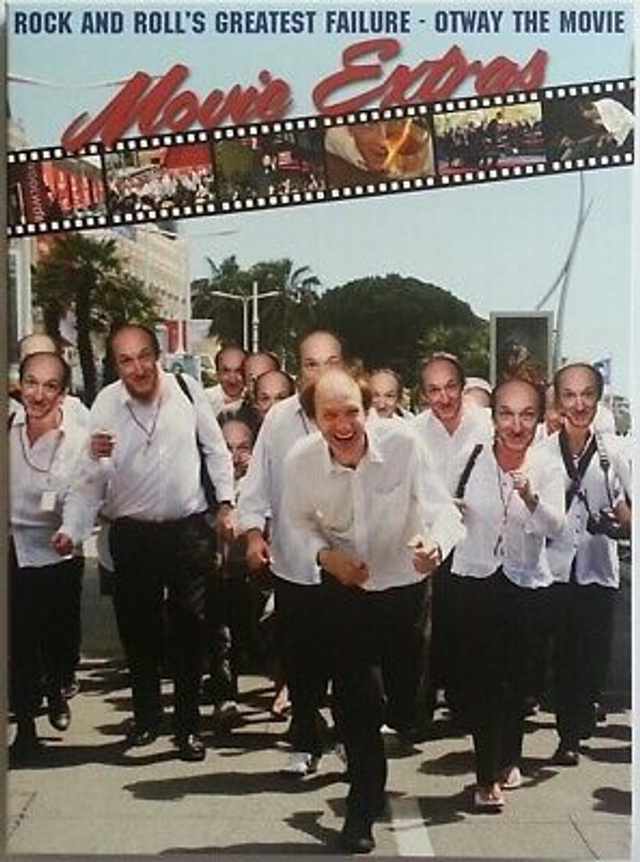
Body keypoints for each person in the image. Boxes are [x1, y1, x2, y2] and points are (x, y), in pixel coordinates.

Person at [282, 369, 464, 853]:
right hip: (346, 589)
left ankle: (401, 714)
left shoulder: (403, 445)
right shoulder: (301, 461)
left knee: (405, 709)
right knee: (357, 701)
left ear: (368, 410)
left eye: (352, 413)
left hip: (405, 588)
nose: (343, 426)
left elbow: (444, 510)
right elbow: (295, 523)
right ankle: (361, 807)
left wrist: (435, 545)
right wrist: (326, 558)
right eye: (330, 416)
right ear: (313, 418)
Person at [52, 323, 235, 762]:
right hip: (132, 535)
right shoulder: (106, 403)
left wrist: (227, 504)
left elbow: (216, 451)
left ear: (158, 356)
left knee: (190, 628)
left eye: (143, 357)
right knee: (139, 631)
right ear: (116, 366)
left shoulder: (187, 391)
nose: (137, 369)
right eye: (126, 361)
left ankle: (188, 726)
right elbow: (90, 477)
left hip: (187, 530)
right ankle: (147, 716)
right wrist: (74, 525)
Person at [448, 378, 564, 810]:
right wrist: (451, 513)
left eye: (527, 415)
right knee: (483, 680)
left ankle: (507, 757)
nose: (516, 425)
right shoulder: (471, 457)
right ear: (493, 417)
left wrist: (531, 498)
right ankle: (486, 775)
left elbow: (556, 528)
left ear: (539, 418)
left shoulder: (547, 465)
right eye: (506, 414)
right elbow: (443, 505)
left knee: (516, 681)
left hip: (524, 582)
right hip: (476, 578)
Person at [237, 329, 344, 776]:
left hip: (349, 566)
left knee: (350, 661)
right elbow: (256, 486)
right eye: (311, 364)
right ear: (299, 370)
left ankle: (350, 739)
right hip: (295, 564)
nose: (321, 372)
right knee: (301, 661)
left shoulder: (358, 415)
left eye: (330, 362)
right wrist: (253, 535)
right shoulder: (279, 420)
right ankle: (305, 740)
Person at [540, 362, 631, 766]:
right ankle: (568, 731)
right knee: (561, 655)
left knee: (591, 654)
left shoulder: (615, 452)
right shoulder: (541, 453)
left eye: (587, 395)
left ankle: (576, 725)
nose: (578, 404)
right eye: (569, 395)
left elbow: (628, 510)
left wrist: (620, 521)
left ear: (598, 398)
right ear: (558, 401)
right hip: (554, 567)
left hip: (597, 566)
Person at [9, 352, 88, 764]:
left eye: (49, 386)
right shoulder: (8, 429)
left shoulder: (76, 441)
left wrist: (70, 530)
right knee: (18, 641)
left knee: (57, 639)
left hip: (56, 553)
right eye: (31, 383)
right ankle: (24, 728)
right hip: (12, 550)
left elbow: (83, 494)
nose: (38, 395)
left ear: (62, 393)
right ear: (19, 385)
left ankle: (57, 685)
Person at [411, 354, 493, 727]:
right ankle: (419, 711)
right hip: (433, 542)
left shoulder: (487, 424)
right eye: (434, 390)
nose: (443, 398)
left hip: (478, 541)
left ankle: (468, 706)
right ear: (423, 393)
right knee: (429, 631)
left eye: (450, 388)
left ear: (462, 387)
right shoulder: (414, 431)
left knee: (472, 629)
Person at [204, 415, 256, 727]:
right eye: (227, 448)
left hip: (249, 573)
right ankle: (224, 696)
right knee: (219, 637)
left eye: (243, 447)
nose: (235, 456)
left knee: (243, 634)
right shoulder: (206, 485)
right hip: (213, 572)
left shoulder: (259, 482)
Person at [206, 344, 247, 416]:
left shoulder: (257, 402)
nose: (232, 379)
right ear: (217, 373)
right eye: (226, 371)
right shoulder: (204, 400)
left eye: (238, 371)